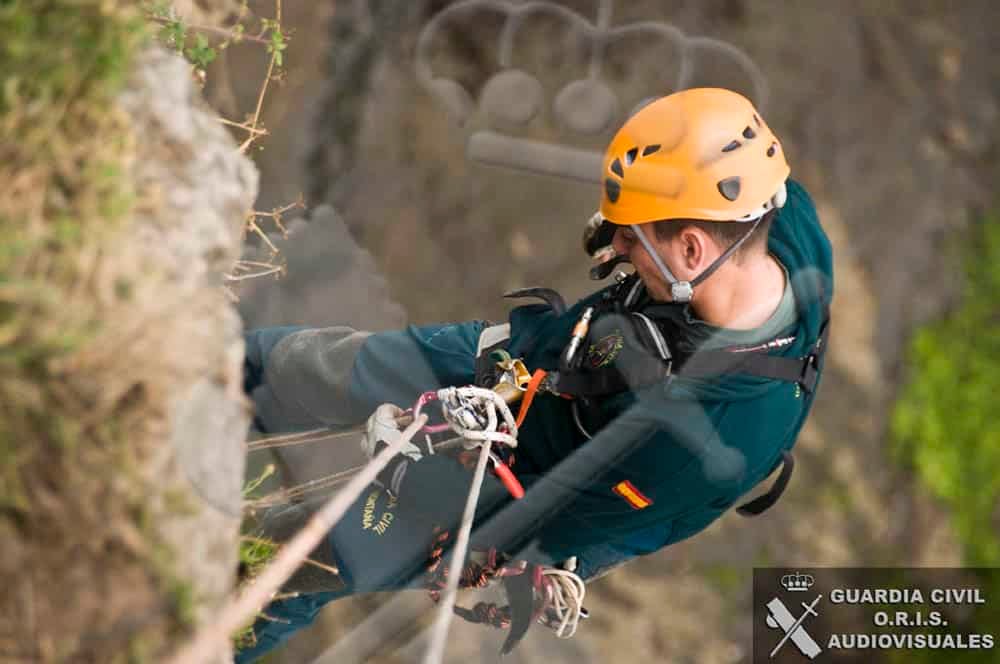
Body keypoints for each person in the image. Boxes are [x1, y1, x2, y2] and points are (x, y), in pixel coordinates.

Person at [238, 87, 833, 662]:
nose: (617, 248)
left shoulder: (695, 442)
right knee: (295, 365)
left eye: (633, 238)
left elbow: (539, 527)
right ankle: (188, 389)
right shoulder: (778, 218)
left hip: (542, 488)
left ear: (694, 251)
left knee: (289, 557)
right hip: (532, 364)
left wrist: (419, 484)